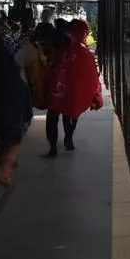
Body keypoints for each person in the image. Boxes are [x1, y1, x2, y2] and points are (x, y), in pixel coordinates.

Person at [42, 19, 102, 157]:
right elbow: (90, 73)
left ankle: (53, 147)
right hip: (72, 89)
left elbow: (53, 66)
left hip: (57, 88)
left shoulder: (61, 46)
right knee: (70, 113)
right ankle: (68, 138)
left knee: (53, 115)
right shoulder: (83, 52)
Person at [0, 16, 30, 186]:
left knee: (11, 135)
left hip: (6, 97)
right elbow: (21, 68)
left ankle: (3, 166)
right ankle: (4, 169)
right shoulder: (10, 45)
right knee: (14, 135)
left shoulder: (2, 47)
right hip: (13, 97)